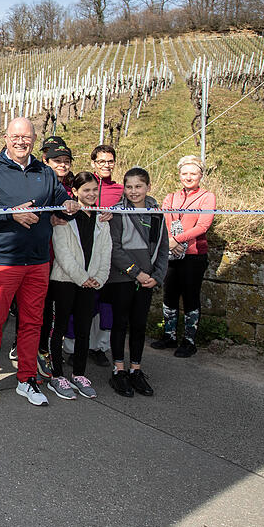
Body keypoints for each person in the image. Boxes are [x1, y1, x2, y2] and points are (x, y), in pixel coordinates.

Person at [0, 117, 78, 406]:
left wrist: (69, 205)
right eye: (15, 136)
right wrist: (11, 213)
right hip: (3, 260)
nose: (21, 142)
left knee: (32, 323)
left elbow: (60, 203)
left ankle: (27, 379)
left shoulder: (45, 171)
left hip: (38, 261)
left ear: (34, 140)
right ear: (6, 138)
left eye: (26, 137)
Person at [45, 172, 111, 400]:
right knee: (59, 328)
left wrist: (99, 277)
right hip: (65, 281)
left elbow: (106, 250)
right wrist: (81, 277)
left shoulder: (102, 218)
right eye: (86, 190)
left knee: (84, 330)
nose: (91, 194)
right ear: (75, 192)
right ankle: (56, 375)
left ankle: (79, 374)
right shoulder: (64, 216)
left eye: (94, 190)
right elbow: (62, 252)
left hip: (90, 283)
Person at [106, 167, 169, 397]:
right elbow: (114, 247)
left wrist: (156, 276)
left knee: (139, 325)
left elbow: (163, 248)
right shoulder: (117, 212)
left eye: (138, 186)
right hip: (123, 278)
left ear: (148, 187)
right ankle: (119, 369)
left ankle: (136, 369)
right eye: (129, 187)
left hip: (147, 281)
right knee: (120, 323)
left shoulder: (157, 213)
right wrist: (136, 272)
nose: (134, 191)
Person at [154, 155, 215, 358]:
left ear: (201, 175)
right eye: (185, 173)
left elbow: (203, 225)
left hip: (194, 255)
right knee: (169, 294)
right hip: (171, 253)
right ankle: (169, 335)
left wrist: (177, 240)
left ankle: (189, 341)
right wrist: (170, 242)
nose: (188, 177)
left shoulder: (207, 197)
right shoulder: (171, 197)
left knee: (190, 296)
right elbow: (163, 221)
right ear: (179, 175)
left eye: (193, 173)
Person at [71, 144, 124, 367]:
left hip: (108, 254)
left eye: (110, 161)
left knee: (105, 306)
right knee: (80, 305)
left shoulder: (121, 190)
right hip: (83, 253)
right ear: (93, 163)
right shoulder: (84, 185)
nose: (106, 165)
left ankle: (100, 347)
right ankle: (74, 347)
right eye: (101, 161)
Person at [34, 136, 74, 378]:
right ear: (45, 160)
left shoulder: (74, 185)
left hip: (67, 259)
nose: (62, 165)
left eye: (66, 161)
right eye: (56, 160)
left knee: (60, 310)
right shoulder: (38, 183)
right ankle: (39, 351)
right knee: (43, 308)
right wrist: (47, 218)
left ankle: (53, 349)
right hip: (43, 255)